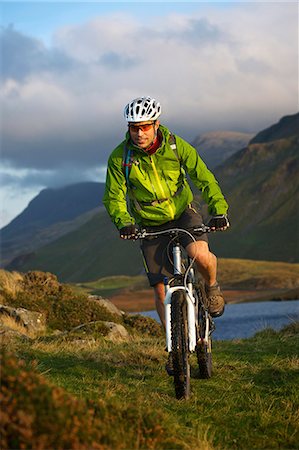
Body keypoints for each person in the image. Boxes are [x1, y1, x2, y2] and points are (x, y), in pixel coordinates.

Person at [103, 96, 229, 368]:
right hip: (148, 223)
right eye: (134, 127)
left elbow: (203, 177)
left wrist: (218, 210)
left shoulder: (175, 146)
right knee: (161, 290)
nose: (139, 133)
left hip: (183, 213)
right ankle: (174, 346)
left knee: (201, 255)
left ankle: (211, 287)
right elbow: (113, 197)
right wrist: (124, 222)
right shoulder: (120, 157)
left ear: (156, 124)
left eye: (145, 127)